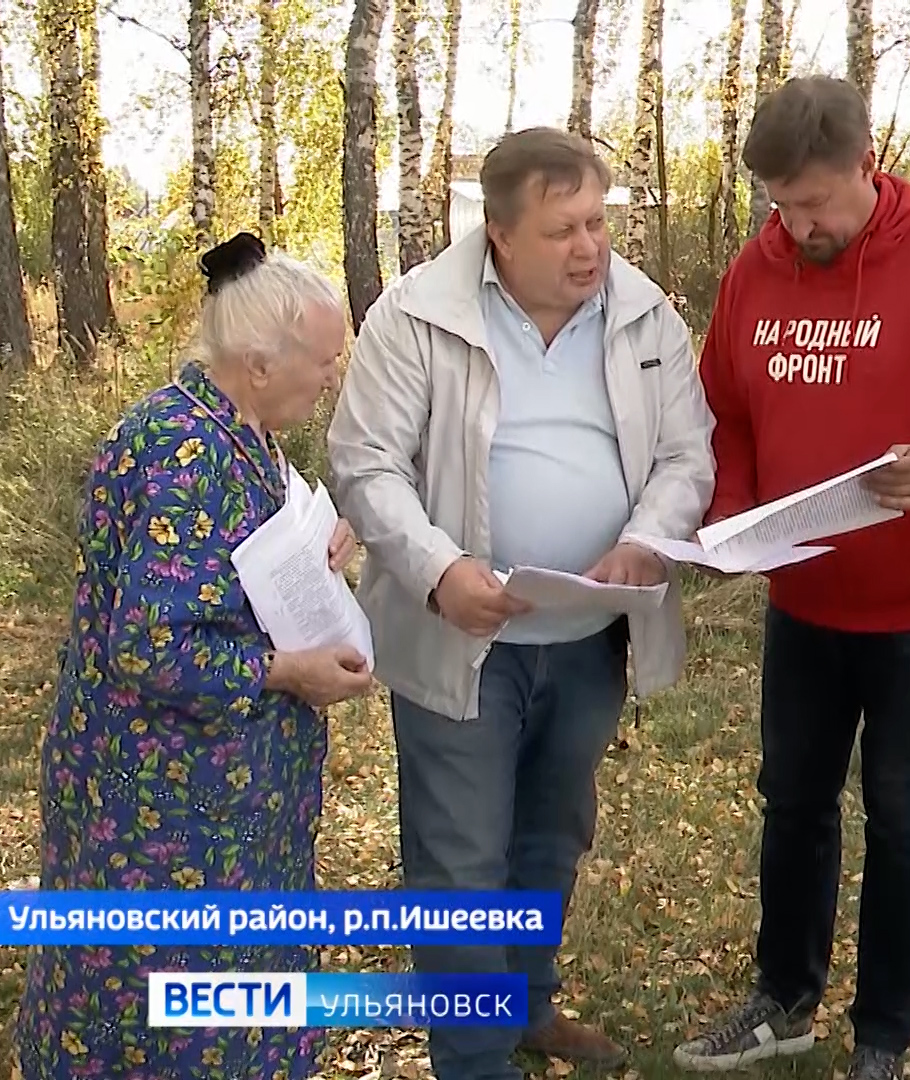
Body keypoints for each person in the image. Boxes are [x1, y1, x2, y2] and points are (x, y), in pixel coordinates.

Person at [672, 76, 910, 1080]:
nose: (800, 227)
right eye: (781, 206)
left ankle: (883, 1032)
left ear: (867, 168)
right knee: (793, 798)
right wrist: (731, 518)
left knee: (901, 812)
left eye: (816, 204)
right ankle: (783, 997)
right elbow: (725, 414)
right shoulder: (757, 271)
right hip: (802, 597)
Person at [325, 127, 714, 1080]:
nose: (589, 248)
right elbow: (366, 463)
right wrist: (439, 569)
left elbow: (685, 455)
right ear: (498, 234)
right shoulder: (417, 315)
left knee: (550, 837)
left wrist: (646, 537)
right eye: (561, 230)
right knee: (460, 860)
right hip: (462, 636)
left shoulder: (645, 316)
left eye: (596, 223)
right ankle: (473, 1060)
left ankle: (527, 1005)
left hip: (587, 634)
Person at [14, 233, 377, 1080]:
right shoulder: (182, 453)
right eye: (324, 360)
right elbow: (149, 645)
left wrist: (320, 542)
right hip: (164, 812)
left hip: (227, 808)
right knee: (160, 1009)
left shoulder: (236, 429)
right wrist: (284, 671)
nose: (333, 378)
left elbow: (234, 567)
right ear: (260, 362)